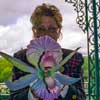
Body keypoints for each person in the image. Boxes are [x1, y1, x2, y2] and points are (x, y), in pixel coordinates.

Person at [9, 3, 86, 100]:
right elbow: (13, 97)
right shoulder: (21, 58)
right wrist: (32, 94)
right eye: (41, 29)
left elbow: (80, 97)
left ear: (58, 32)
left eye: (52, 29)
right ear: (34, 31)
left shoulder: (73, 58)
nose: (46, 35)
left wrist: (62, 85)